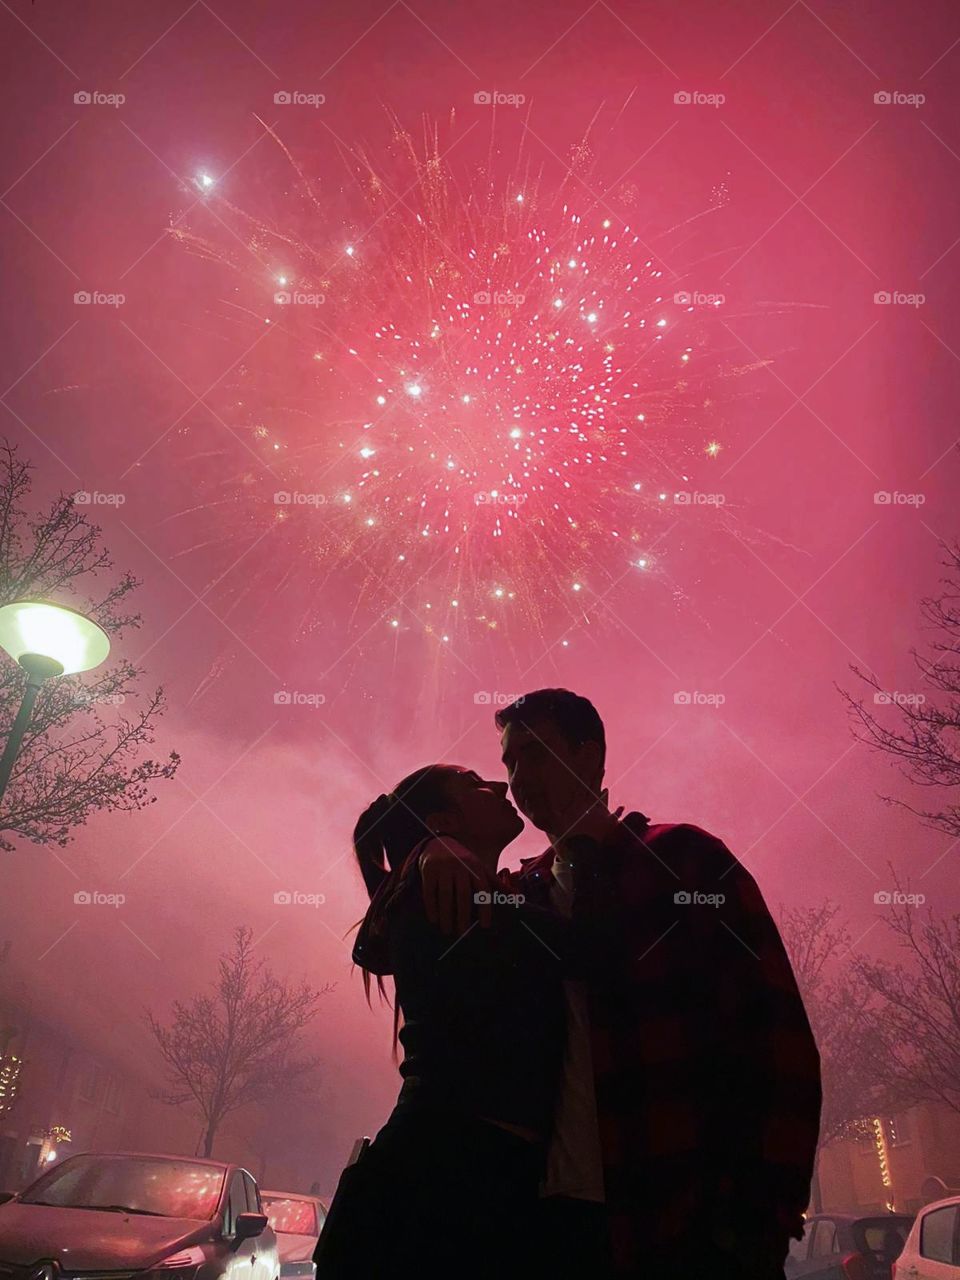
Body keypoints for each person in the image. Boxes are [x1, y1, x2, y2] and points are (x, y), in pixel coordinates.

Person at [420, 688, 823, 1280]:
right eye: (507, 761)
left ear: (589, 757)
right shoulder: (518, 896)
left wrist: (753, 1222)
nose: (515, 776)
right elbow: (390, 945)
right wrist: (432, 847)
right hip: (555, 1226)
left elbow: (777, 1038)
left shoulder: (685, 862)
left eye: (532, 753)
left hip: (683, 1217)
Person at [313, 763, 622, 1280]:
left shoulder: (471, 895)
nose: (501, 786)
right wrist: (587, 843)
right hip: (446, 1181)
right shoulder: (466, 904)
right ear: (442, 819)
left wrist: (431, 852)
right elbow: (597, 952)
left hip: (444, 1173)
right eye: (477, 785)